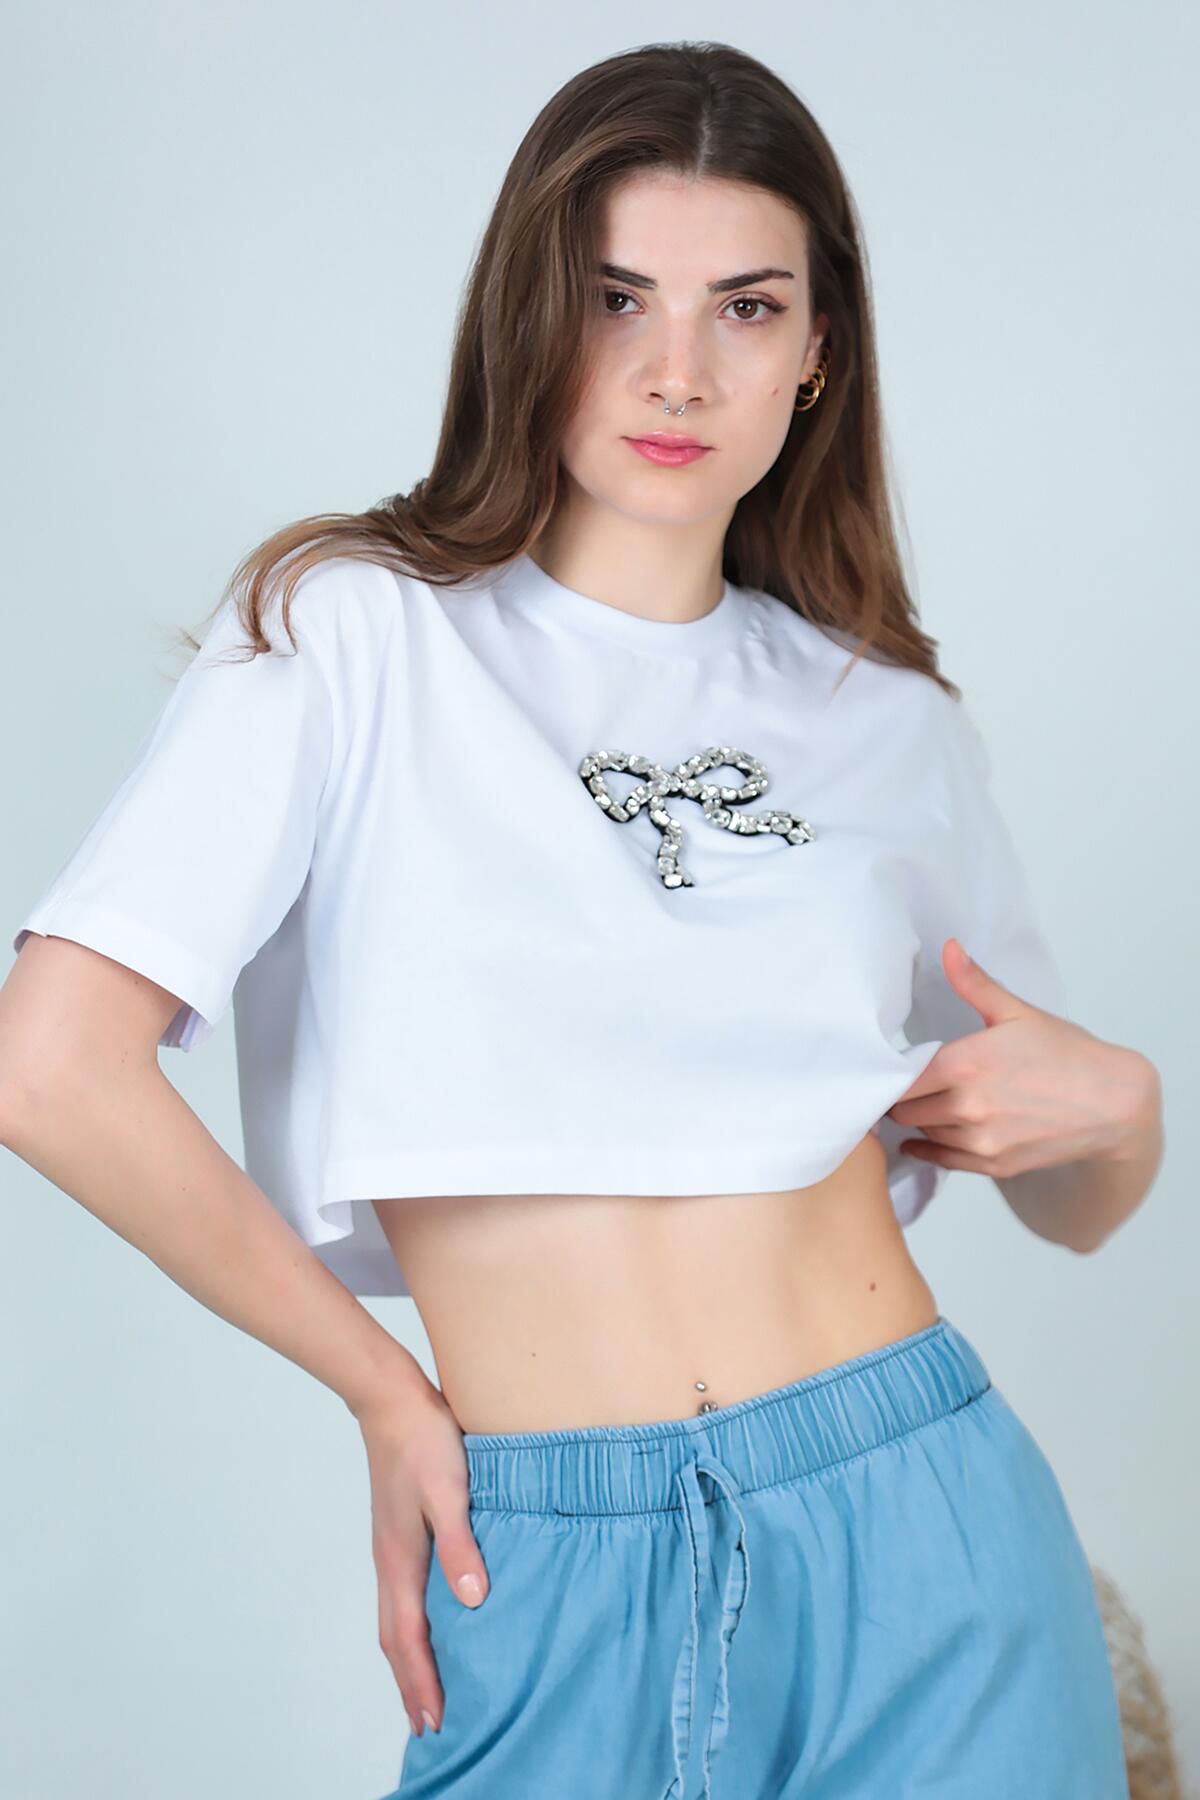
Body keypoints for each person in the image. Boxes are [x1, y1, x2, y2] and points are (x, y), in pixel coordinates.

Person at [0, 38, 1161, 1800]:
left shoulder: (886, 717)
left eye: (747, 308)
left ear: (819, 350)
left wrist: (1124, 1117)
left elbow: (1069, 1199)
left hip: (930, 1533)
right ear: (529, 316)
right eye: (617, 298)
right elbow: (50, 1069)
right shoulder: (352, 632)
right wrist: (382, 1389)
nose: (677, 368)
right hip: (545, 1548)